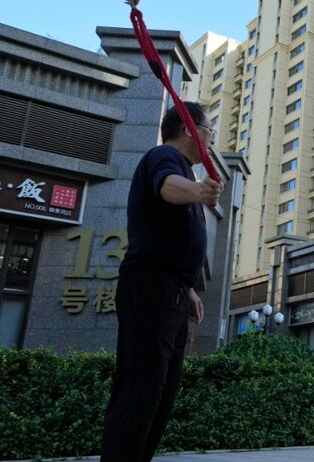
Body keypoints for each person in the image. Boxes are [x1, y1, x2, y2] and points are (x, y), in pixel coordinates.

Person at [101, 102, 223, 461]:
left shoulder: (181, 167)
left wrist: (187, 288)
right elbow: (167, 188)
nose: (211, 139)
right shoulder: (164, 158)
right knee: (141, 387)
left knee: (161, 392)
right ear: (190, 128)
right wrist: (199, 191)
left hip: (170, 289)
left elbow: (165, 234)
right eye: (210, 130)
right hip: (151, 285)